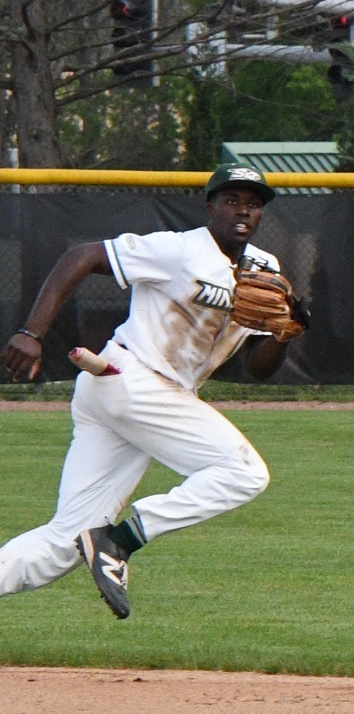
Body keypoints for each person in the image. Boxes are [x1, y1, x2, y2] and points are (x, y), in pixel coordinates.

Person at [0, 165, 305, 619]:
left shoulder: (266, 271)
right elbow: (82, 256)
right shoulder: (178, 249)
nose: (243, 209)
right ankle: (119, 542)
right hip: (134, 376)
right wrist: (32, 332)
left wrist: (284, 332)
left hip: (136, 394)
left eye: (254, 203)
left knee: (65, 542)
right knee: (244, 473)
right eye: (232, 200)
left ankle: (101, 540)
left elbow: (258, 370)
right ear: (210, 207)